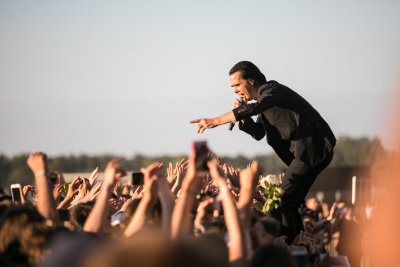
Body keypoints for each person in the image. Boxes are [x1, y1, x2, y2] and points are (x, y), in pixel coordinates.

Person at [190, 61, 336, 243]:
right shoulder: (264, 104)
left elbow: (254, 108)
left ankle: (291, 242)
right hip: (305, 154)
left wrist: (216, 120)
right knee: (287, 201)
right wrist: (241, 117)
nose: (234, 90)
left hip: (313, 149)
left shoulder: (271, 90)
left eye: (236, 85)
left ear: (251, 81)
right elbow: (259, 133)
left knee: (279, 200)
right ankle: (300, 240)